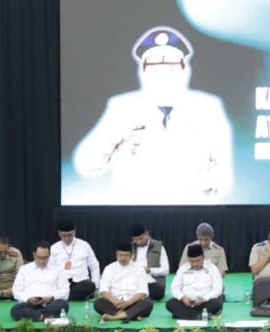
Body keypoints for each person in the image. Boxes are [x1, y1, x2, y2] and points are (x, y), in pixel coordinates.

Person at [69, 26, 233, 203]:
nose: (163, 75)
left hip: (188, 210)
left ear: (185, 70)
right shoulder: (122, 107)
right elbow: (85, 164)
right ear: (143, 72)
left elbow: (223, 176)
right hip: (133, 211)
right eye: (154, 68)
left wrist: (209, 182)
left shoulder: (207, 108)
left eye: (170, 68)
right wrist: (111, 140)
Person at [11, 243, 68, 322]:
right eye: (39, 257)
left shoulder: (58, 269)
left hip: (50, 304)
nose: (42, 261)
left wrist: (51, 298)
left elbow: (65, 291)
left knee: (63, 305)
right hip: (30, 304)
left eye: (45, 258)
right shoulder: (24, 269)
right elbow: (16, 291)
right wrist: (27, 299)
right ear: (34, 255)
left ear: (49, 255)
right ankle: (45, 317)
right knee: (15, 309)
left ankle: (35, 316)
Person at [95, 244, 153, 322]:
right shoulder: (109, 268)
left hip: (133, 302)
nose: (122, 258)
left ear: (132, 255)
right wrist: (115, 301)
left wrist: (128, 303)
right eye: (120, 255)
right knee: (98, 303)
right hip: (115, 304)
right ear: (116, 254)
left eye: (126, 255)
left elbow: (143, 292)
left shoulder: (139, 269)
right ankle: (132, 315)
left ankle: (116, 317)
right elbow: (103, 290)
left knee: (148, 303)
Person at [165, 244, 223, 321]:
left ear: (203, 258)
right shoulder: (183, 269)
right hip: (186, 303)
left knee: (217, 304)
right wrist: (182, 297)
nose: (194, 264)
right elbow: (174, 288)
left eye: (197, 261)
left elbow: (218, 289)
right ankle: (199, 316)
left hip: (204, 303)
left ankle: (185, 315)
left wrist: (204, 298)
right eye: (191, 261)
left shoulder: (212, 268)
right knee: (170, 304)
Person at [51, 221, 99, 303]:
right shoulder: (54, 248)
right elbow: (51, 268)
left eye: (70, 235)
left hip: (81, 283)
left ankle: (62, 297)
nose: (67, 238)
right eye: (64, 235)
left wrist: (96, 287)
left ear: (74, 232)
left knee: (90, 286)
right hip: (63, 283)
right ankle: (70, 296)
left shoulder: (84, 245)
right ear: (59, 233)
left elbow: (94, 266)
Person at [128, 224, 169, 301]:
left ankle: (136, 297)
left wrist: (149, 270)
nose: (138, 242)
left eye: (141, 238)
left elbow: (166, 270)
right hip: (134, 281)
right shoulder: (130, 248)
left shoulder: (159, 247)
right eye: (135, 240)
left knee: (157, 293)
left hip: (151, 283)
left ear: (147, 234)